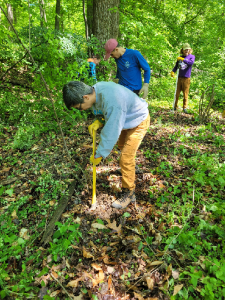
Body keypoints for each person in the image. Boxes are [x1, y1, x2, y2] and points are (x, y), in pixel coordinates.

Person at [63, 81, 150, 209]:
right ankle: (130, 169)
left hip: (138, 120)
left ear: (85, 97)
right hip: (126, 118)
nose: (81, 110)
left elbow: (111, 131)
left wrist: (100, 154)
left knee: (126, 157)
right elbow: (102, 111)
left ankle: (129, 193)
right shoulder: (96, 91)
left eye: (79, 107)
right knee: (122, 147)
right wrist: (98, 120)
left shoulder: (113, 101)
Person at [171, 43, 195, 113]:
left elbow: (191, 63)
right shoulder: (179, 58)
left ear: (190, 50)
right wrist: (173, 72)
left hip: (186, 78)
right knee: (177, 93)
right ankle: (175, 107)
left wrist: (182, 59)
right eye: (185, 50)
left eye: (188, 49)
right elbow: (176, 67)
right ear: (182, 50)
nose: (186, 51)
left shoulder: (191, 56)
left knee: (185, 94)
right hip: (179, 78)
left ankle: (184, 108)